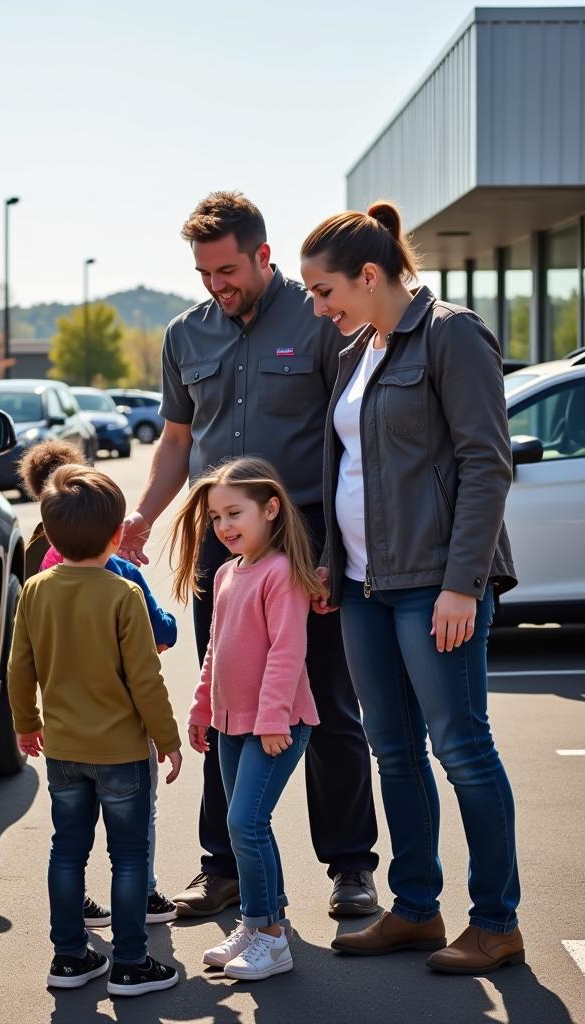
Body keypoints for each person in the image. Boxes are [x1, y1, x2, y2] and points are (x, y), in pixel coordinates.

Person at [120, 191, 379, 918]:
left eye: (228, 270)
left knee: (327, 703)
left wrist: (332, 548)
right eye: (205, 273)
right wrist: (143, 516)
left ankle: (351, 865)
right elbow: (176, 442)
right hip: (220, 544)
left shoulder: (319, 319)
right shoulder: (185, 335)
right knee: (229, 702)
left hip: (302, 538)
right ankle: (224, 866)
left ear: (264, 255)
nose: (217, 285)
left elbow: (346, 437)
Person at [299, 201, 523, 974]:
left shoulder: (451, 334)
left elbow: (486, 464)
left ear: (370, 275)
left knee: (461, 748)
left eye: (326, 292)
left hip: (436, 584)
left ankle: (496, 922)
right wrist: (331, 558)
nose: (319, 308)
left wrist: (464, 584)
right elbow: (349, 468)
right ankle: (418, 909)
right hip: (364, 584)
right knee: (393, 751)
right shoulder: (360, 350)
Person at [8, 464, 183, 997]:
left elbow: (19, 667)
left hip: (63, 752)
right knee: (128, 856)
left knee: (67, 851)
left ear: (50, 535)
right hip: (122, 753)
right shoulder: (122, 595)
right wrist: (170, 741)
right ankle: (131, 963)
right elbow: (146, 680)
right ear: (115, 536)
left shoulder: (35, 591)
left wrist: (26, 725)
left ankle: (68, 958)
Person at [170, 456, 322, 981]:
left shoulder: (281, 573)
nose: (224, 527)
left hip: (275, 726)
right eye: (215, 518)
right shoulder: (230, 574)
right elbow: (215, 647)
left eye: (234, 513)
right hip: (232, 724)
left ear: (271, 509)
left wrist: (275, 718)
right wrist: (200, 708)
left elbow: (287, 651)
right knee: (249, 826)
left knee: (244, 823)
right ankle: (261, 922)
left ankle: (271, 938)